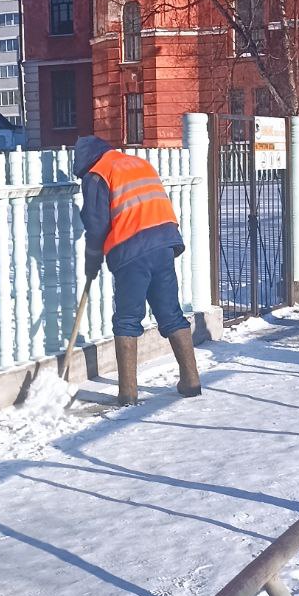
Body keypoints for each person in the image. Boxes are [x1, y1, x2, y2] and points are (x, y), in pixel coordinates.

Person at [74, 135, 201, 405]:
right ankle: (191, 380)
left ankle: (128, 393)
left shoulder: (97, 174)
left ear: (85, 162)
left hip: (132, 249)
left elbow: (96, 225)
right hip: (164, 242)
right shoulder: (136, 163)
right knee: (170, 312)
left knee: (127, 319)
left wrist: (92, 258)